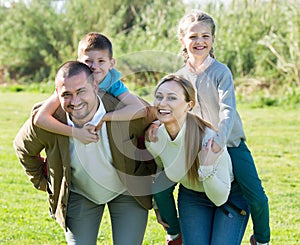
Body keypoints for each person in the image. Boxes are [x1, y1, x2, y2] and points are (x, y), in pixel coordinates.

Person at [147, 10, 270, 245]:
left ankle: (262, 239)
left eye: (205, 36)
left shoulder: (220, 72)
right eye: (193, 36)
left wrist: (218, 143)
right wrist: (156, 120)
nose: (199, 41)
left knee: (255, 194)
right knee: (161, 185)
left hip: (228, 142)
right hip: (191, 142)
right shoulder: (180, 76)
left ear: (212, 40)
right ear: (182, 40)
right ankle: (174, 233)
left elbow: (227, 110)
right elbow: (169, 103)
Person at [14, 61, 157, 245]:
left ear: (95, 86)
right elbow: (22, 148)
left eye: (81, 91)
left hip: (127, 190)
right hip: (80, 193)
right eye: (67, 94)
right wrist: (45, 183)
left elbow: (159, 116)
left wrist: (156, 125)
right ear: (57, 94)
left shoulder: (124, 110)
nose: (75, 101)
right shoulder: (48, 120)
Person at [145, 74, 250, 245]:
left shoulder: (209, 140)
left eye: (172, 98)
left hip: (229, 196)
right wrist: (159, 207)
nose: (162, 103)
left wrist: (206, 166)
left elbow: (219, 198)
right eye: (159, 96)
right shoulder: (154, 138)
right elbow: (160, 172)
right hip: (192, 196)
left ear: (189, 105)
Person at [33, 32, 146, 144]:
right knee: (43, 110)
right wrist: (76, 133)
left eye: (101, 61)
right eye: (88, 61)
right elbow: (40, 119)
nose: (94, 67)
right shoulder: (71, 84)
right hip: (72, 131)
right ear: (79, 62)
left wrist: (104, 117)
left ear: (111, 63)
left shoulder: (112, 83)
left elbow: (139, 109)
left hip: (104, 139)